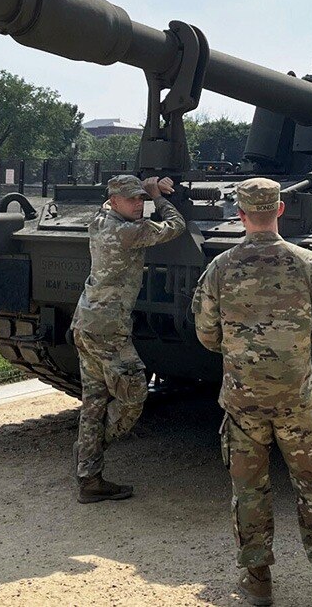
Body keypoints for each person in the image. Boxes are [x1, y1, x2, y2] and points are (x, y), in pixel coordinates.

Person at [193, 178, 312, 607]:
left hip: (242, 400)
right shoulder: (308, 264)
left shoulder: (221, 267)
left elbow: (206, 333)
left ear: (239, 214)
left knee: (249, 489)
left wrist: (241, 348)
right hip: (295, 400)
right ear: (280, 211)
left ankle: (257, 583)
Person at [71, 173, 185, 502]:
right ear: (115, 200)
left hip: (86, 322)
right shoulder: (129, 232)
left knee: (94, 402)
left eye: (142, 199)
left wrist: (149, 190)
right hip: (108, 329)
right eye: (133, 199)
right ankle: (87, 453)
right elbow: (175, 226)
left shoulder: (100, 220)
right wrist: (159, 197)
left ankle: (89, 478)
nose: (139, 204)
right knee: (135, 392)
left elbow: (110, 208)